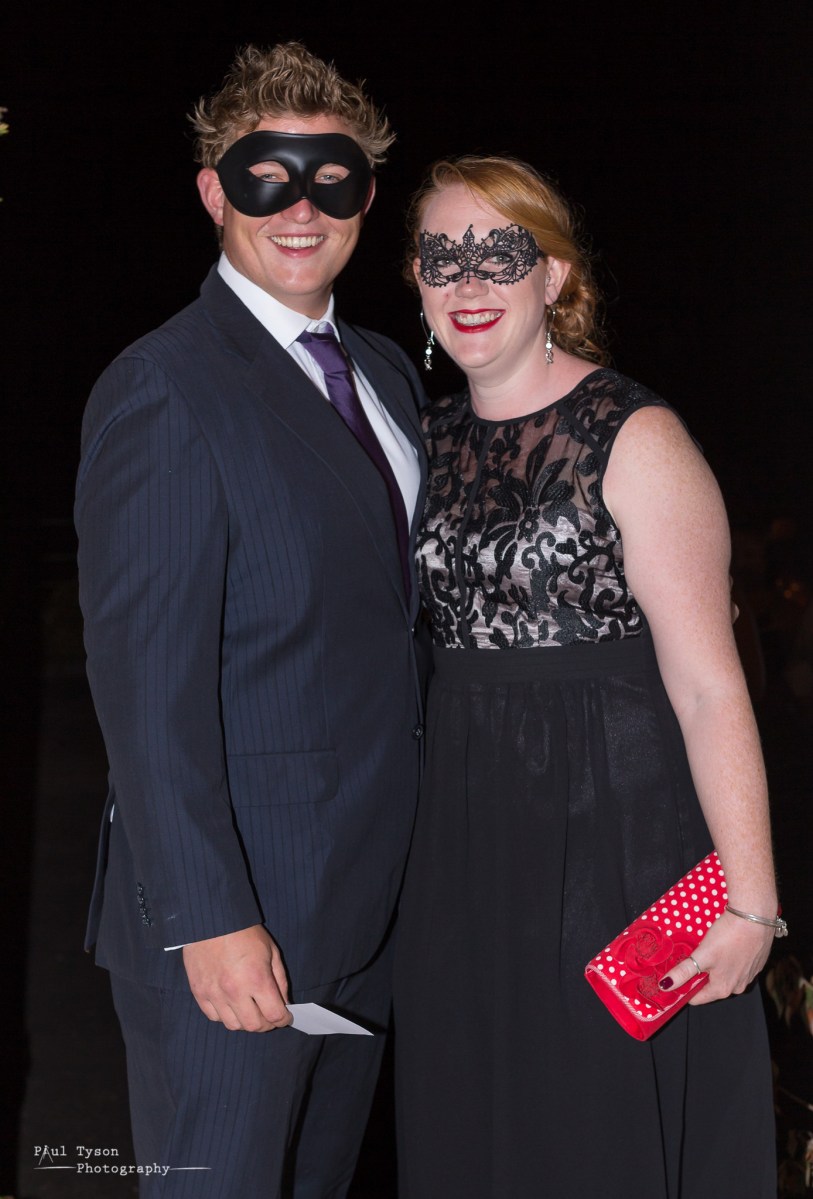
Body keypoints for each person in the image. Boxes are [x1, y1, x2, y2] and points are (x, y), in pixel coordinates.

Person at [75, 41, 427, 1198]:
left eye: (332, 177)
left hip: (369, 915)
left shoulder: (387, 374)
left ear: (366, 196)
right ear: (213, 192)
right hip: (238, 934)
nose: (301, 206)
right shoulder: (165, 386)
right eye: (264, 175)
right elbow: (145, 689)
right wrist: (210, 917)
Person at [392, 155, 780, 1198]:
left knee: (592, 1133)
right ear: (417, 280)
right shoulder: (423, 435)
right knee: (473, 1125)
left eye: (499, 253)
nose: (469, 282)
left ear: (553, 274)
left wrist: (751, 905)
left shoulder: (635, 435)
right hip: (462, 845)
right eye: (442, 257)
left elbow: (710, 687)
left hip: (616, 841)